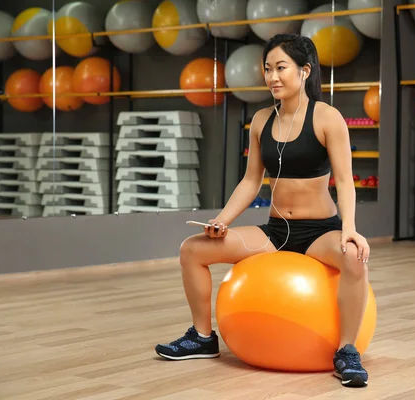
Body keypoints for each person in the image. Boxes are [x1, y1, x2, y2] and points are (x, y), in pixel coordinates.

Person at [155, 33, 371, 388]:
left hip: (320, 232)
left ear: (304, 71)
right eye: (268, 68)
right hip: (275, 233)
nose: (272, 76)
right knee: (192, 249)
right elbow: (251, 182)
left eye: (281, 68)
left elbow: (345, 181)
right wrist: (222, 221)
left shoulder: (327, 118)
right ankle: (203, 337)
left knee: (354, 257)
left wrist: (349, 228)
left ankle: (347, 351)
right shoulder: (259, 122)